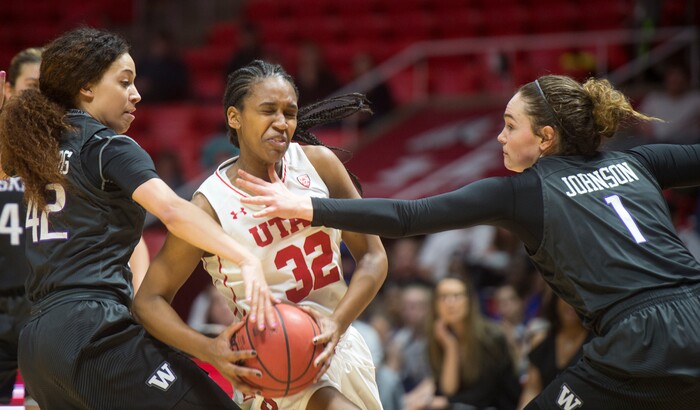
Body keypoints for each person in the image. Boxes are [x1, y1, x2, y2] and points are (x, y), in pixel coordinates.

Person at [237, 73, 700, 408]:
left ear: (545, 137)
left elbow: (408, 215)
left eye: (510, 125)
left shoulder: (523, 191)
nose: (499, 136)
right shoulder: (641, 161)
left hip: (639, 338)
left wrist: (308, 206)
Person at [0, 27, 278, 409]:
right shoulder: (107, 146)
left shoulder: (39, 149)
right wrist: (244, 257)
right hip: (92, 330)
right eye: (125, 82)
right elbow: (171, 209)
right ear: (86, 88)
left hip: (36, 345)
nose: (137, 94)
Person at [134, 60, 388, 410]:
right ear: (234, 118)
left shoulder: (320, 165)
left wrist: (337, 321)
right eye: (268, 110)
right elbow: (149, 300)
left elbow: (374, 257)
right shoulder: (211, 205)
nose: (282, 123)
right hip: (273, 362)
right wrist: (208, 349)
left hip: (338, 344)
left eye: (290, 112)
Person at [0, 47, 43, 410]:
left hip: (42, 303)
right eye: (31, 87)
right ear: (8, 89)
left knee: (40, 403)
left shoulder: (63, 151)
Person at [416, 275, 520, 410]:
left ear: (469, 301)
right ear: (435, 304)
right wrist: (451, 347)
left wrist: (445, 402)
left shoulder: (491, 336)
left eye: (457, 296)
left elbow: (487, 393)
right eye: (443, 297)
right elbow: (447, 391)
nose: (450, 302)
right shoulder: (439, 336)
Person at [518, 294, 591, 410]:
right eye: (567, 296)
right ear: (556, 299)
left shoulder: (597, 344)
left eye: (578, 298)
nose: (571, 304)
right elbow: (532, 390)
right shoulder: (541, 339)